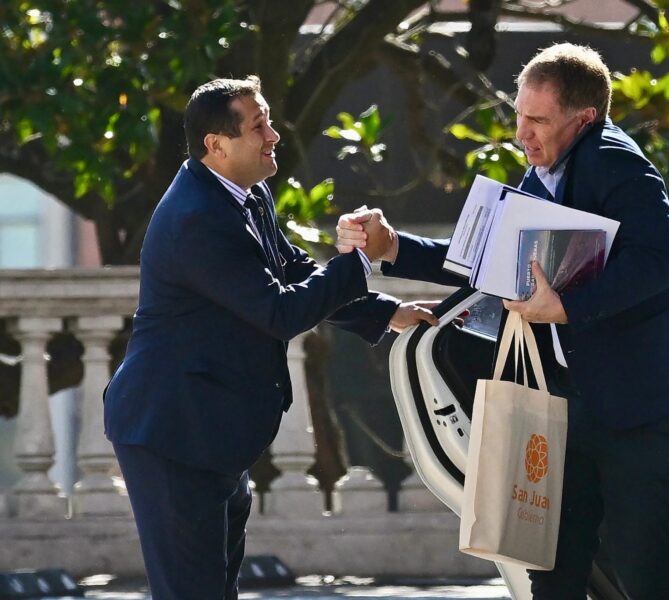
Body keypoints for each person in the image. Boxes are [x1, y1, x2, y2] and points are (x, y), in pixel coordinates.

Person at [336, 44, 669, 599]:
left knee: (645, 578)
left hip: (642, 410)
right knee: (553, 573)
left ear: (584, 119)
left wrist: (566, 308)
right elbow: (482, 260)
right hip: (569, 406)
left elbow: (659, 261)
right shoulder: (545, 171)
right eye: (519, 115)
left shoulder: (616, 161)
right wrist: (392, 247)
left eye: (537, 120)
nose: (522, 133)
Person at [103, 76, 437, 600]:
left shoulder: (244, 190)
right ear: (217, 145)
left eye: (269, 121)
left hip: (212, 428)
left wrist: (385, 312)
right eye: (258, 126)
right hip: (173, 432)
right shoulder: (197, 218)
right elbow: (280, 311)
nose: (274, 135)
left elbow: (294, 269)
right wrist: (359, 261)